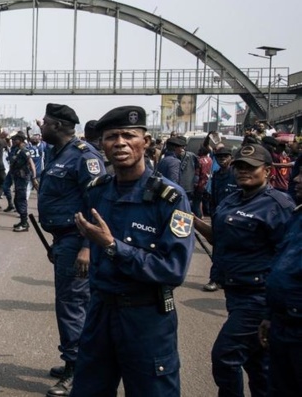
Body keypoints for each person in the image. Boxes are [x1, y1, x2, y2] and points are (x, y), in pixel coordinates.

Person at [71, 106, 193, 397]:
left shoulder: (170, 198)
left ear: (146, 142)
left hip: (146, 317)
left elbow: (173, 269)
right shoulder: (97, 190)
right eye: (112, 137)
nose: (120, 143)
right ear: (102, 144)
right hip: (101, 311)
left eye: (129, 136)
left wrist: (113, 247)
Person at [193, 144, 295, 397]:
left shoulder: (278, 205)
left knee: (225, 356)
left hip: (258, 296)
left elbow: (288, 256)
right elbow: (218, 238)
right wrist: (192, 220)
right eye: (239, 166)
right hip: (234, 292)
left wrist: (274, 308)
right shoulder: (231, 200)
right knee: (257, 363)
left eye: (250, 167)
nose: (243, 171)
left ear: (267, 171)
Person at [36, 103, 105, 396]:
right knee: (72, 303)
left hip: (78, 240)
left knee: (72, 304)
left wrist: (86, 248)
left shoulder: (84, 157)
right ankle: (77, 361)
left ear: (58, 126)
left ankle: (76, 368)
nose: (41, 126)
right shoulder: (58, 152)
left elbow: (97, 205)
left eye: (45, 122)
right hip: (64, 238)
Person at [261, 171, 302, 396]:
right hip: (282, 322)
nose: (296, 179)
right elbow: (280, 265)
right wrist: (270, 314)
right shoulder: (297, 216)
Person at [203, 145, 239, 292]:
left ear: (231, 158)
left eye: (225, 156)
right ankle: (215, 279)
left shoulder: (236, 175)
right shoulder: (217, 175)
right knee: (218, 249)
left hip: (235, 219)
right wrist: (213, 214)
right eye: (219, 157)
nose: (222, 159)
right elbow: (213, 197)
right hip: (219, 217)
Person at [9, 131, 35, 232]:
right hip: (17, 177)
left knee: (21, 200)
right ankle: (23, 221)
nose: (13, 141)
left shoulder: (24, 150)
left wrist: (34, 176)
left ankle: (24, 223)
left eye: (15, 139)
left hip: (22, 178)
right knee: (17, 200)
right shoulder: (17, 150)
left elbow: (31, 163)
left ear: (20, 140)